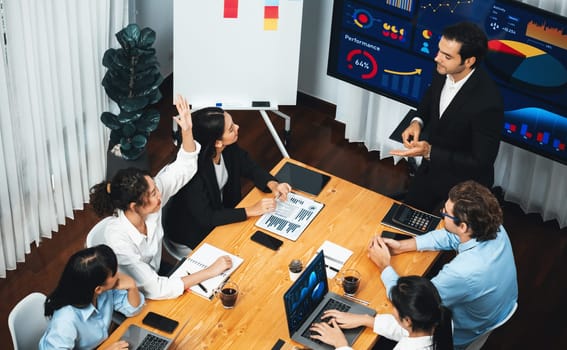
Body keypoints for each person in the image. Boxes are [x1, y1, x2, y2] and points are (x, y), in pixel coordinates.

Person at [89, 95, 232, 300]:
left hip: (157, 274)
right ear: (134, 206)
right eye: (154, 194)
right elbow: (156, 289)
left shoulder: (150, 202)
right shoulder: (119, 241)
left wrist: (187, 130)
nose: (160, 195)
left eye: (156, 188)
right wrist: (210, 270)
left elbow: (183, 167)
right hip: (136, 294)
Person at [368, 180, 518, 349]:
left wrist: (385, 266)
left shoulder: (462, 273)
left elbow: (413, 304)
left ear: (463, 226)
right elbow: (451, 236)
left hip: (461, 334)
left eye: (445, 213)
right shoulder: (494, 228)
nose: (442, 213)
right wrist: (404, 245)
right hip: (497, 311)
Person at [390, 21, 504, 213]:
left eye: (446, 56)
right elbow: (429, 99)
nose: (437, 58)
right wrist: (417, 121)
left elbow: (480, 162)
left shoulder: (488, 104)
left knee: (443, 239)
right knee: (403, 222)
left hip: (464, 186)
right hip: (430, 172)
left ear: (469, 61)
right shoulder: (444, 70)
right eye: (439, 51)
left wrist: (429, 152)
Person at [162, 106, 292, 249]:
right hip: (195, 233)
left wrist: (273, 184)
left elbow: (249, 166)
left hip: (220, 213)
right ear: (217, 142)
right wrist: (250, 210)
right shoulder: (193, 172)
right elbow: (207, 217)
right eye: (231, 129)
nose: (237, 127)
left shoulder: (227, 148)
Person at [39, 245, 144, 350]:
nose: (118, 274)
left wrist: (132, 286)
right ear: (98, 289)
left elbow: (133, 310)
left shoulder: (102, 291)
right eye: (114, 272)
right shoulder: (65, 321)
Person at [309, 276, 453, 350]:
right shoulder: (440, 319)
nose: (392, 310)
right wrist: (368, 320)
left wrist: (340, 344)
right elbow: (410, 331)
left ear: (408, 320)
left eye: (394, 306)